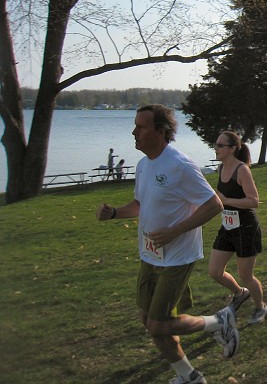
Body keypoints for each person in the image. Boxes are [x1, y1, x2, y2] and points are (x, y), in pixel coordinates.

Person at [96, 104, 237, 384]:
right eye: (135, 126)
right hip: (150, 254)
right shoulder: (144, 164)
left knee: (158, 323)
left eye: (141, 126)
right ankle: (190, 376)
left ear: (161, 131)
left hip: (177, 257)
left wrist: (174, 231)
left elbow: (213, 205)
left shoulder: (179, 165)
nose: (134, 132)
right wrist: (114, 213)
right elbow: (140, 203)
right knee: (149, 320)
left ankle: (219, 323)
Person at [208, 130, 267, 326]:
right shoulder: (220, 169)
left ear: (233, 148)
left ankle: (261, 307)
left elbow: (254, 201)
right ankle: (239, 293)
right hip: (227, 226)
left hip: (246, 227)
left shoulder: (242, 170)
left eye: (220, 145)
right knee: (215, 271)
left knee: (245, 275)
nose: (216, 148)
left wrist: (227, 200)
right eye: (216, 144)